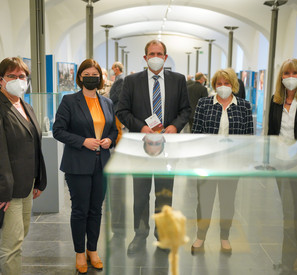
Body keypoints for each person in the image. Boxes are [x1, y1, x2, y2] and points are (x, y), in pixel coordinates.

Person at [116, 39, 191, 255]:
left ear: (165, 57)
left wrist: (175, 127)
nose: (155, 57)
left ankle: (162, 235)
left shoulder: (177, 80)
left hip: (168, 147)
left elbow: (185, 110)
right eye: (151, 53)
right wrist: (141, 127)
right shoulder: (131, 81)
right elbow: (122, 111)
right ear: (145, 57)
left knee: (164, 194)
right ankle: (140, 235)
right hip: (141, 146)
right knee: (140, 194)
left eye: (159, 53)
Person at [52, 58, 118, 274]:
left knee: (96, 210)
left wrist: (109, 139)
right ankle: (80, 252)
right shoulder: (69, 101)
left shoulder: (107, 102)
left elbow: (113, 130)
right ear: (80, 77)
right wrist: (82, 141)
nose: (91, 77)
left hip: (102, 163)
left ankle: (92, 249)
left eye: (95, 74)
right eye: (87, 74)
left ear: (101, 77)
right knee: (80, 210)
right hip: (78, 164)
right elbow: (58, 131)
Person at [191, 68, 253, 254]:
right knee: (204, 202)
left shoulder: (243, 105)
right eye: (219, 83)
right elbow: (196, 132)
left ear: (233, 84)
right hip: (207, 163)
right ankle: (201, 236)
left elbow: (248, 136)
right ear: (214, 85)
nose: (223, 87)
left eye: (227, 83)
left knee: (227, 202)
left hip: (231, 165)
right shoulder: (204, 103)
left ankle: (224, 237)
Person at [0, 57, 47, 275]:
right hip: (8, 190)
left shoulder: (25, 105)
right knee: (11, 245)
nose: (19, 80)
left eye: (22, 76)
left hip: (27, 185)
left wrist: (38, 178)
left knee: (20, 236)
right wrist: (3, 192)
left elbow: (34, 145)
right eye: (12, 76)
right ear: (1, 80)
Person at [268, 58, 297, 273]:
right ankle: (288, 259)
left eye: (295, 73)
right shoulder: (276, 100)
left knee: (296, 213)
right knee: (288, 213)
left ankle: (290, 260)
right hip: (281, 163)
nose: (290, 78)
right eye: (286, 74)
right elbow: (271, 132)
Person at [110, 61, 124, 144]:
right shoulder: (118, 78)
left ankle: (119, 147)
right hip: (115, 107)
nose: (112, 71)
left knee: (118, 129)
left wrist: (109, 100)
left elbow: (119, 94)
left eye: (113, 69)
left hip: (117, 107)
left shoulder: (121, 79)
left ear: (117, 68)